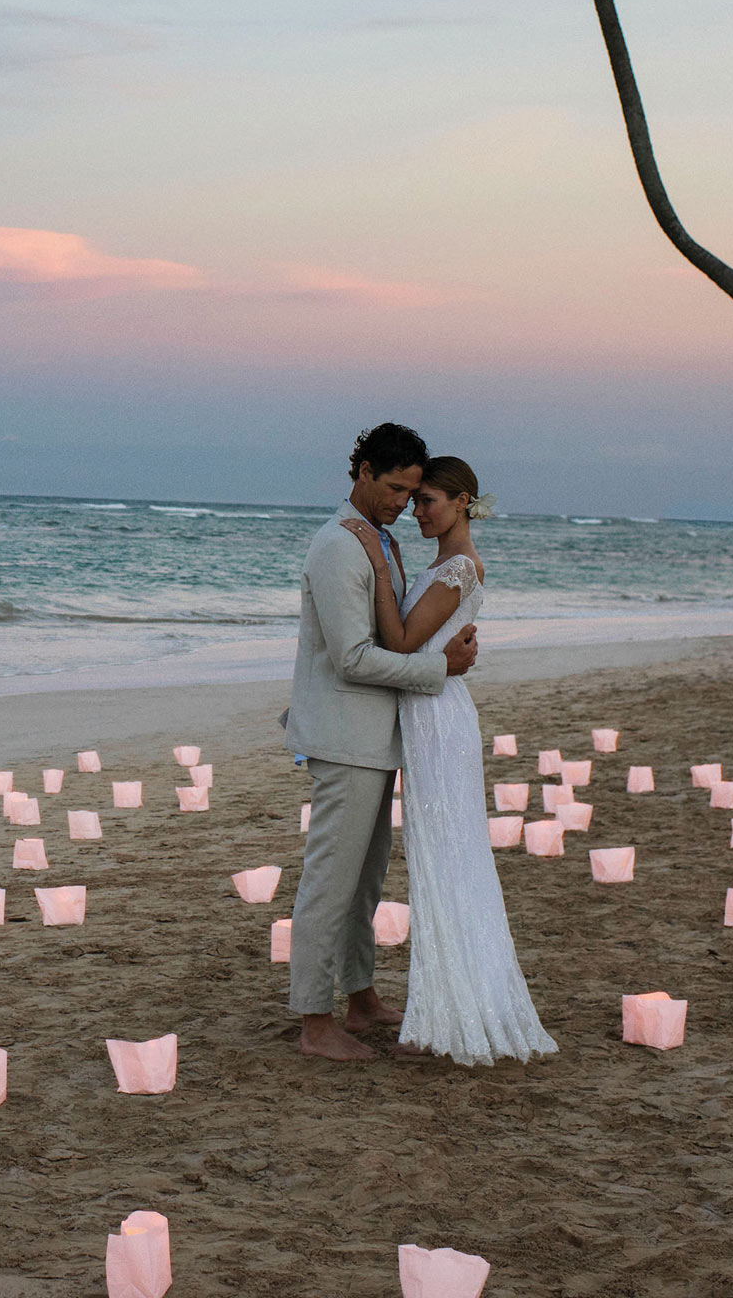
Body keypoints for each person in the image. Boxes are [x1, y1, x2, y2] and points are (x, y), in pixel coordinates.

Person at [342, 454, 556, 1065]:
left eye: (428, 500)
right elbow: (419, 642)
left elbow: (403, 642)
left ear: (463, 501)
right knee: (443, 860)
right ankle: (448, 1005)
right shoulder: (443, 564)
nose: (416, 511)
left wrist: (378, 568)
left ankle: (452, 1016)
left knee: (447, 860)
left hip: (437, 719)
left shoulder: (458, 567)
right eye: (413, 502)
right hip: (429, 712)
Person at [285, 423, 478, 1062]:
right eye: (395, 488)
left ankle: (361, 999)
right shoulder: (340, 547)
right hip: (346, 737)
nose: (403, 502)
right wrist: (438, 671)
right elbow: (351, 659)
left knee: (364, 882)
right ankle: (315, 1020)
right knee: (330, 881)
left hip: (377, 737)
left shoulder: (380, 543)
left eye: (413, 492)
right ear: (363, 472)